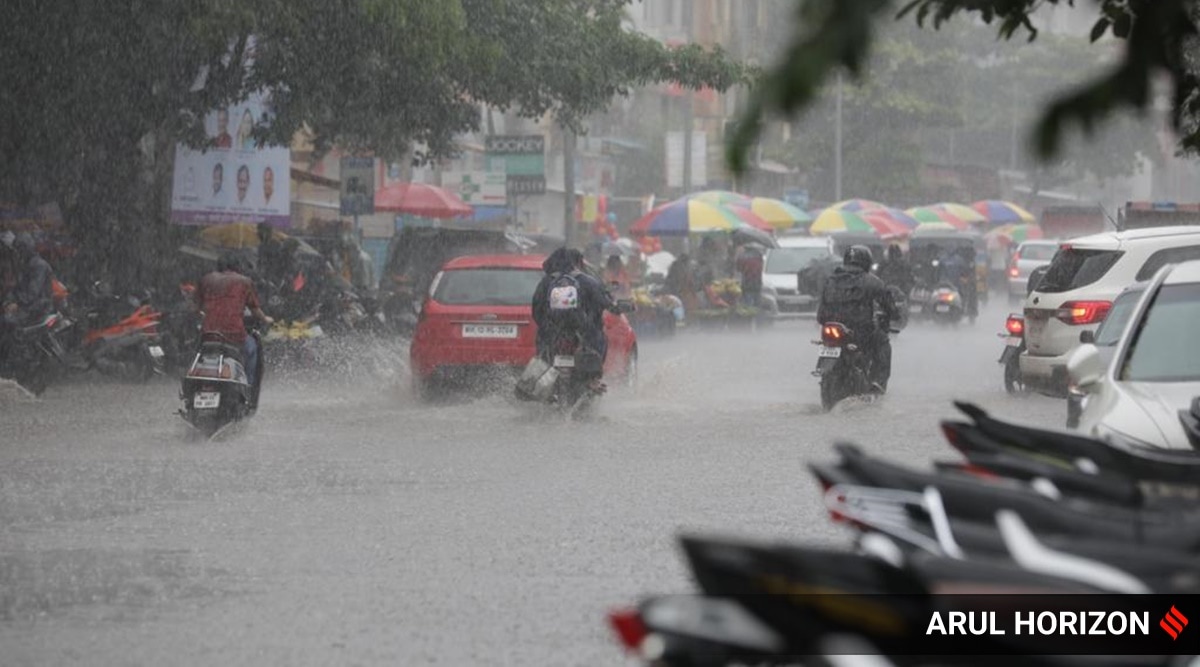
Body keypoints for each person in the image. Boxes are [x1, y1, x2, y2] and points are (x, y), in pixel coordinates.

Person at [531, 248, 617, 393]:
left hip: (551, 334)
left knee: (543, 351)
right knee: (600, 338)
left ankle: (539, 381)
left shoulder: (546, 282)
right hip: (585, 334)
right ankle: (593, 379)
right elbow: (604, 302)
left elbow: (536, 311)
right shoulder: (588, 281)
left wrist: (546, 326)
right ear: (577, 262)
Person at [194, 253, 274, 408]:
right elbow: (255, 310)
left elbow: (196, 307)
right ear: (238, 267)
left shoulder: (206, 279)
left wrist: (207, 314)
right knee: (251, 350)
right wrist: (266, 319)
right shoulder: (244, 282)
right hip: (234, 335)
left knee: (198, 354)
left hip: (209, 335)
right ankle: (248, 390)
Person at [817, 245, 899, 393]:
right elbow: (890, 308)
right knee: (883, 343)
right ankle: (878, 384)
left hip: (831, 331)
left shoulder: (830, 280)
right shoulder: (872, 281)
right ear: (866, 262)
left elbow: (820, 315)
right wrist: (892, 315)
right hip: (859, 332)